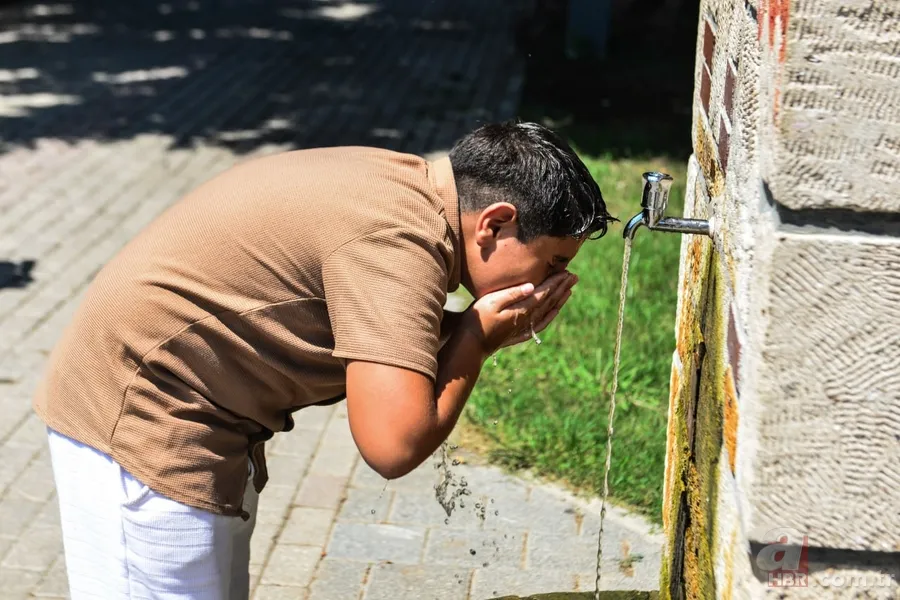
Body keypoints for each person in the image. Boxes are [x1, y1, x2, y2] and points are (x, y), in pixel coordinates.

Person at [33, 120, 615, 599]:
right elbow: (392, 446)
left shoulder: (407, 191)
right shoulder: (398, 243)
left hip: (183, 407)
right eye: (552, 263)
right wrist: (475, 341)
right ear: (495, 223)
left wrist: (465, 328)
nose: (555, 283)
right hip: (144, 419)